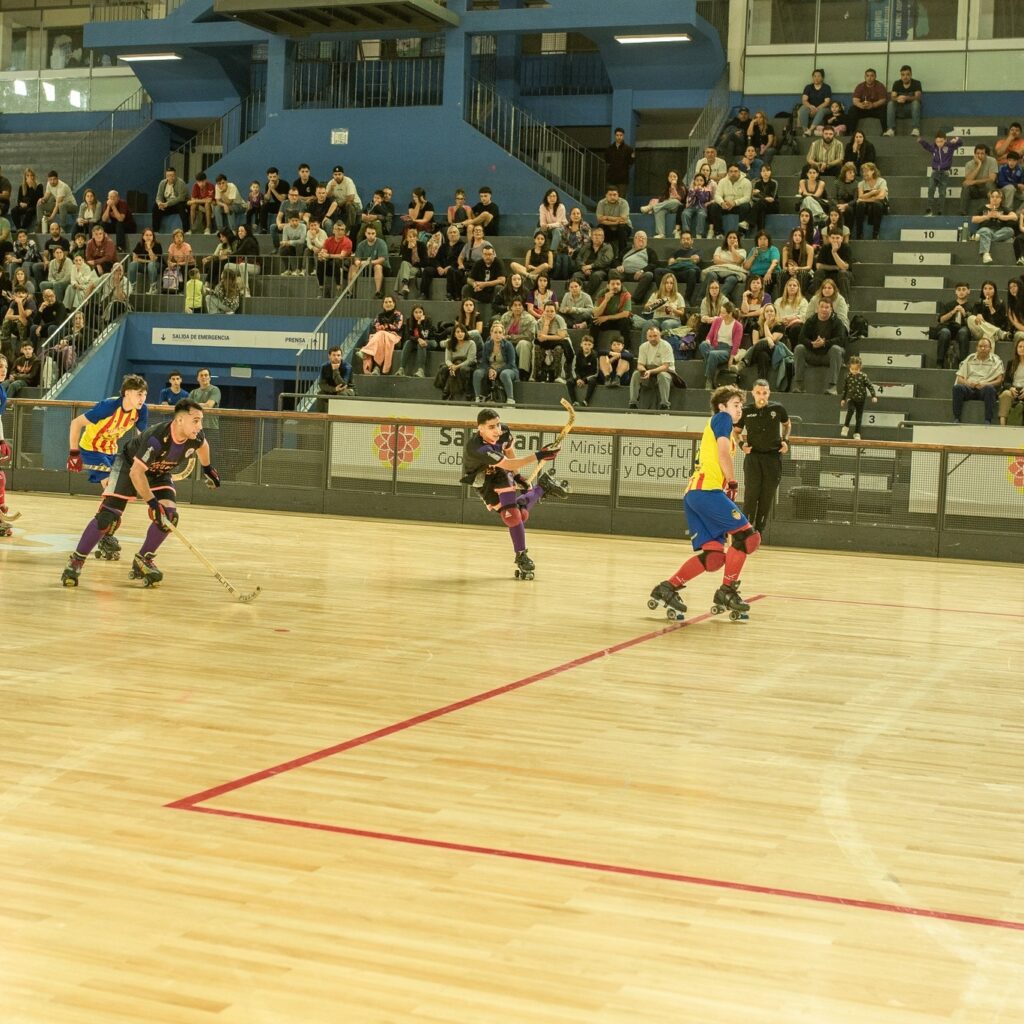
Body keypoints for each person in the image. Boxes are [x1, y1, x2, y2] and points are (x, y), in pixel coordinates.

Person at [61, 399, 220, 589]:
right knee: (107, 518)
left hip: (159, 472)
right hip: (130, 466)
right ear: (179, 420)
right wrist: (153, 504)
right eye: (195, 420)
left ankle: (143, 560)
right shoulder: (157, 438)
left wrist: (208, 468)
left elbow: (203, 446)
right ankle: (76, 560)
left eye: (201, 420)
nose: (200, 426)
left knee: (169, 517)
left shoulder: (196, 436)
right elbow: (136, 473)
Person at [648, 384, 759, 621]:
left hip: (695, 494)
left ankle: (667, 588)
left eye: (741, 406)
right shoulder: (722, 419)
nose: (740, 409)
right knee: (747, 537)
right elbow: (722, 454)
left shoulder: (723, 426)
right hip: (706, 491)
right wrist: (732, 482)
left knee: (714, 557)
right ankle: (727, 591)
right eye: (736, 405)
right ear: (722, 406)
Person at [460, 407, 567, 580]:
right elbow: (508, 463)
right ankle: (542, 487)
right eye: (491, 427)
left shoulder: (503, 432)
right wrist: (539, 455)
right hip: (482, 480)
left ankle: (521, 555)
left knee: (512, 518)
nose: (497, 430)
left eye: (498, 425)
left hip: (501, 474)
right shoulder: (477, 448)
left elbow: (508, 452)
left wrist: (517, 476)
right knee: (519, 515)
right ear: (480, 428)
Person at [66, 374, 150, 560]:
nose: (142, 398)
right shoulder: (108, 407)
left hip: (112, 451)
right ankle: (105, 535)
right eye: (139, 394)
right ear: (127, 393)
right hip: (91, 449)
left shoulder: (141, 410)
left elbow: (143, 438)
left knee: (120, 494)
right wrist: (74, 453)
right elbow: (76, 423)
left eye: (145, 394)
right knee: (113, 490)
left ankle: (105, 533)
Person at [737, 378, 790, 533]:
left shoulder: (778, 408)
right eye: (758, 392)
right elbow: (736, 431)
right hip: (753, 457)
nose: (762, 396)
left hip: (773, 458)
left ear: (769, 393)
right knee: (751, 495)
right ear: (753, 393)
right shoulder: (746, 411)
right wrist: (742, 445)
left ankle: (759, 531)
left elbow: (787, 424)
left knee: (767, 497)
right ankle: (745, 531)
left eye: (764, 393)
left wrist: (785, 440)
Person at [795, 298, 845, 394]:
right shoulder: (810, 321)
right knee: (799, 348)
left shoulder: (837, 322)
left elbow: (841, 340)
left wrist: (825, 343)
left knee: (836, 349)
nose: (824, 309)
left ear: (831, 309)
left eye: (827, 307)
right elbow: (801, 338)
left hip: (828, 356)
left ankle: (832, 387)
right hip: (813, 354)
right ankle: (799, 386)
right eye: (822, 307)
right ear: (817, 308)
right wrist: (812, 344)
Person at [952, 337, 1004, 424]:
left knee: (990, 389)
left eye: (985, 346)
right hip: (969, 388)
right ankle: (956, 418)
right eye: (980, 346)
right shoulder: (969, 359)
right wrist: (968, 383)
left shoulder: (996, 361)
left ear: (990, 348)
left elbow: (999, 380)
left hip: (984, 389)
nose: (982, 348)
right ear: (977, 348)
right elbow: (959, 378)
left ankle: (988, 420)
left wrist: (986, 384)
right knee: (957, 388)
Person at [628, 325, 675, 411]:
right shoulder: (643, 347)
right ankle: (633, 403)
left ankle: (665, 405)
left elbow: (665, 366)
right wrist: (643, 370)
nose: (653, 338)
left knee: (662, 375)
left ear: (660, 335)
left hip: (666, 372)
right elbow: (640, 364)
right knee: (636, 374)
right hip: (648, 371)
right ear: (647, 337)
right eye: (650, 336)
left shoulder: (666, 346)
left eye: (655, 336)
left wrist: (650, 371)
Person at [699, 300, 742, 390]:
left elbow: (736, 344)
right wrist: (707, 341)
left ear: (730, 314)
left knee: (713, 355)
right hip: (715, 346)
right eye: (720, 312)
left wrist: (731, 359)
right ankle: (714, 369)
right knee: (703, 345)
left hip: (727, 349)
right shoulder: (717, 321)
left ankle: (709, 379)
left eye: (723, 313)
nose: (720, 314)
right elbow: (710, 335)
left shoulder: (738, 326)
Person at [473, 321, 519, 405]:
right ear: (491, 333)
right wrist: (490, 370)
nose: (498, 335)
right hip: (491, 369)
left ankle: (510, 400)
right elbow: (484, 362)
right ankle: (477, 398)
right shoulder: (487, 345)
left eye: (500, 332)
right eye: (495, 332)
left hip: (508, 369)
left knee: (504, 374)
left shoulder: (508, 345)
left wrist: (497, 371)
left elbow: (511, 363)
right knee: (477, 373)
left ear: (503, 334)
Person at [919, 129, 962, 217]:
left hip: (944, 173)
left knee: (942, 193)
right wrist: (921, 141)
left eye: (941, 141)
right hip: (935, 172)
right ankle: (929, 209)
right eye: (937, 141)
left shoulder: (949, 146)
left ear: (945, 140)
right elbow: (927, 146)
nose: (939, 144)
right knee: (931, 189)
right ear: (935, 141)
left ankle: (940, 211)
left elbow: (960, 143)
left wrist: (957, 139)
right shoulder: (934, 148)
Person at [358, 294, 404, 375]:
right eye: (386, 302)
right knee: (380, 336)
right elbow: (375, 326)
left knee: (381, 334)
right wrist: (382, 328)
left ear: (394, 303)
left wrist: (385, 327)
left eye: (390, 302)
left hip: (394, 337)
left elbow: (397, 327)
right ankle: (377, 368)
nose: (388, 304)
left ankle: (366, 352)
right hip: (381, 337)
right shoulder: (379, 315)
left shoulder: (398, 314)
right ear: (383, 304)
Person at [972, 190, 1017, 265]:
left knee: (1010, 230)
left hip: (999, 231)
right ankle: (986, 255)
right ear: (990, 198)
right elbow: (973, 220)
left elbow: (1015, 217)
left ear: (1001, 199)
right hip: (985, 229)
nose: (994, 199)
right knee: (985, 231)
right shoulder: (983, 207)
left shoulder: (1003, 208)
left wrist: (1000, 216)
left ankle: (983, 238)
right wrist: (987, 217)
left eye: (997, 197)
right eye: (992, 197)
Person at [933, 283, 972, 369]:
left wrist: (964, 314)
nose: (961, 292)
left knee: (963, 332)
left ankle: (962, 362)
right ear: (955, 292)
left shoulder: (971, 306)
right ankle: (940, 362)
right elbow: (941, 320)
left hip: (963, 328)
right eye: (959, 289)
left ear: (968, 291)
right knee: (944, 332)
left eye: (964, 289)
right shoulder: (948, 305)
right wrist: (953, 312)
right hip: (949, 327)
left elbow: (973, 324)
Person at [837, 355, 877, 439]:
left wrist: (873, 396)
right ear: (849, 368)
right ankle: (845, 427)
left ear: (860, 368)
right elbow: (845, 388)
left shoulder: (863, 376)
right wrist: (843, 399)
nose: (854, 371)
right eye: (852, 369)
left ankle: (857, 432)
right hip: (851, 398)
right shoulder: (848, 376)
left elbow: (870, 386)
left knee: (859, 417)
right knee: (850, 411)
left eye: (856, 369)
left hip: (861, 399)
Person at [640, 170, 685, 239]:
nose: (672, 178)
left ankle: (651, 207)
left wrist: (673, 187)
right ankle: (661, 233)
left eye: (674, 176)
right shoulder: (666, 188)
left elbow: (680, 198)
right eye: (670, 176)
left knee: (675, 201)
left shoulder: (681, 187)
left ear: (678, 178)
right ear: (668, 178)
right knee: (660, 211)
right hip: (667, 207)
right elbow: (661, 199)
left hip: (677, 207)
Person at [395, 304, 436, 379]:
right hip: (417, 342)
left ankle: (421, 370)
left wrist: (419, 324)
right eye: (416, 312)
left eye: (420, 312)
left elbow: (424, 336)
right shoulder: (409, 321)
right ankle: (401, 369)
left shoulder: (428, 320)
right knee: (408, 342)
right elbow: (408, 336)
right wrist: (418, 339)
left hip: (430, 341)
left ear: (423, 313)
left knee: (421, 344)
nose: (418, 314)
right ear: (412, 313)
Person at [348, 224, 389, 297]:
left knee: (377, 266)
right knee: (353, 267)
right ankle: (349, 291)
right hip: (366, 269)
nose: (371, 235)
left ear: (376, 233)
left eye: (373, 233)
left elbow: (381, 259)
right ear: (365, 233)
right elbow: (357, 258)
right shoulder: (361, 245)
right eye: (369, 233)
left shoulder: (381, 243)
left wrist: (368, 262)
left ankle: (378, 291)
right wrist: (357, 262)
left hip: (382, 268)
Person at [847, 68, 888, 135]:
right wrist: (861, 105)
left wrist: (873, 105)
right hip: (863, 109)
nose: (869, 78)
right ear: (865, 77)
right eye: (867, 76)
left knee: (884, 109)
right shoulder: (860, 86)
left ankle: (885, 132)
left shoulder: (880, 86)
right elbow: (855, 100)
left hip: (875, 109)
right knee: (852, 109)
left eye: (872, 76)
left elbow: (883, 100)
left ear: (875, 77)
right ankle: (851, 132)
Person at [961, 144, 999, 217]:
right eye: (977, 153)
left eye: (982, 153)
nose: (979, 156)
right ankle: (962, 212)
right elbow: (968, 181)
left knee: (989, 184)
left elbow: (992, 179)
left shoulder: (992, 161)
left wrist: (975, 181)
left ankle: (992, 211)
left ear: (986, 154)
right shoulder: (969, 164)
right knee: (965, 186)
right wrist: (979, 165)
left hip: (986, 189)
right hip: (975, 189)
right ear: (975, 154)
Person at [853, 162, 888, 240]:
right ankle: (859, 234)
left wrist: (866, 198)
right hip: (867, 206)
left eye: (866, 171)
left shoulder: (881, 181)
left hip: (880, 205)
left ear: (873, 171)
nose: (864, 174)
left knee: (877, 204)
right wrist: (872, 193)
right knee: (860, 205)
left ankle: (875, 234)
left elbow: (881, 196)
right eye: (863, 172)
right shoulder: (861, 183)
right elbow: (860, 196)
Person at [885, 65, 923, 137]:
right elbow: (892, 97)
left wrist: (906, 98)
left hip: (911, 110)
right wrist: (897, 98)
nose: (905, 77)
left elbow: (918, 97)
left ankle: (916, 129)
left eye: (907, 74)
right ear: (901, 75)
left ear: (911, 75)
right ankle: (891, 129)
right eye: (903, 75)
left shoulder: (916, 83)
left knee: (916, 103)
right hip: (899, 109)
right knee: (890, 103)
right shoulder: (897, 83)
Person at [189, 368, 221, 449]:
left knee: (211, 453)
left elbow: (209, 405)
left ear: (209, 378)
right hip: (195, 428)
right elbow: (187, 406)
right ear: (197, 378)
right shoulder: (193, 392)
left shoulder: (215, 390)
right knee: (193, 452)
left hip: (211, 428)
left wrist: (194, 405)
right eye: (201, 375)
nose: (204, 377)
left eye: (206, 375)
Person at [566, 333, 599, 408]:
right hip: (578, 377)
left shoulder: (594, 356)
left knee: (593, 381)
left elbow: (595, 372)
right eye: (585, 344)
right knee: (569, 382)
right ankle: (574, 402)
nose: (587, 346)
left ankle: (586, 401)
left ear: (592, 346)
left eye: (589, 344)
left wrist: (584, 380)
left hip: (588, 377)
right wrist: (578, 379)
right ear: (581, 344)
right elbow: (574, 369)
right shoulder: (577, 355)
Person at [151, 167, 187, 233]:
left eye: (172, 175)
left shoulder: (181, 183)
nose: (170, 177)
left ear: (175, 175)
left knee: (181, 206)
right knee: (155, 206)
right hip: (166, 205)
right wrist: (159, 203)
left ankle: (186, 230)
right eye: (168, 176)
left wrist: (167, 203)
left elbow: (181, 197)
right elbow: (158, 196)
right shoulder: (162, 183)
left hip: (176, 205)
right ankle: (155, 230)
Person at [998, 337, 1024, 425]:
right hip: (1014, 390)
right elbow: (1006, 382)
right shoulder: (1011, 363)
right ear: (1016, 349)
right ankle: (1002, 425)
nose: (1022, 348)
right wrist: (1010, 388)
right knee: (1005, 394)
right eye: (1020, 346)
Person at [797, 69, 832, 135]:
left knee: (821, 111)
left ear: (822, 78)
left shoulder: (826, 87)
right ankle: (805, 130)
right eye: (814, 76)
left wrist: (817, 109)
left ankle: (810, 130)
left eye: (818, 76)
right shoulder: (808, 87)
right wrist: (810, 107)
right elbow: (804, 100)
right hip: (811, 107)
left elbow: (827, 102)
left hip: (824, 108)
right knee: (803, 109)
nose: (816, 78)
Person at [604, 127, 634, 193]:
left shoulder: (629, 149)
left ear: (623, 136)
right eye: (617, 135)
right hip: (611, 179)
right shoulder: (609, 149)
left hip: (622, 180)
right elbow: (607, 162)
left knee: (621, 198)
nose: (619, 137)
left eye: (621, 135)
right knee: (610, 197)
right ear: (615, 136)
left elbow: (631, 163)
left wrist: (623, 171)